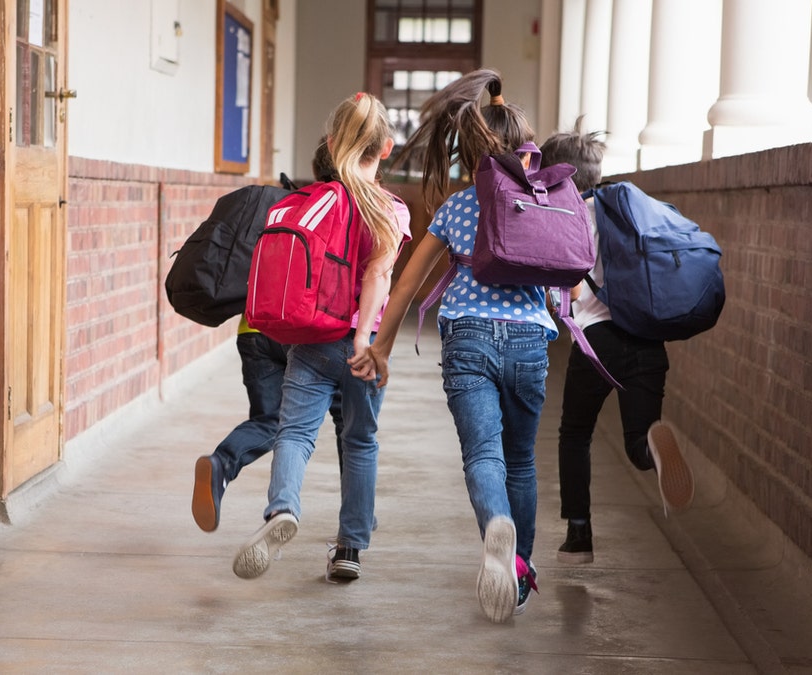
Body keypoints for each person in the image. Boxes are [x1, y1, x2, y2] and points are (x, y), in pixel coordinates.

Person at [349, 69, 549, 623]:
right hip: (531, 340)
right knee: (522, 460)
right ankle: (521, 567)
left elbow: (408, 283)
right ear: (526, 148)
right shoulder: (547, 201)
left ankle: (495, 527)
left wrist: (381, 347)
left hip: (468, 341)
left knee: (483, 454)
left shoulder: (458, 209)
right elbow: (572, 280)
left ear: (470, 153)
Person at [232, 92, 411, 582]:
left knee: (294, 433)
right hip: (363, 346)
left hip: (311, 339)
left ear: (332, 145)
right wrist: (364, 342)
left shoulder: (314, 201)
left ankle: (283, 508)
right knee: (360, 441)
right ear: (388, 148)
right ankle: (350, 547)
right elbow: (378, 277)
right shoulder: (390, 210)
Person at [539, 122, 695, 564]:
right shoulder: (626, 212)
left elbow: (565, 294)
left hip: (596, 344)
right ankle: (653, 453)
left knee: (575, 432)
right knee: (635, 440)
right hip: (647, 340)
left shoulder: (565, 221)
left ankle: (579, 534)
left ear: (556, 178)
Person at [191, 141, 347, 534]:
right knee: (351, 422)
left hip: (254, 329)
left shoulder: (279, 204)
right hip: (304, 333)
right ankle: (355, 513)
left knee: (271, 419)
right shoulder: (340, 209)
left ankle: (222, 462)